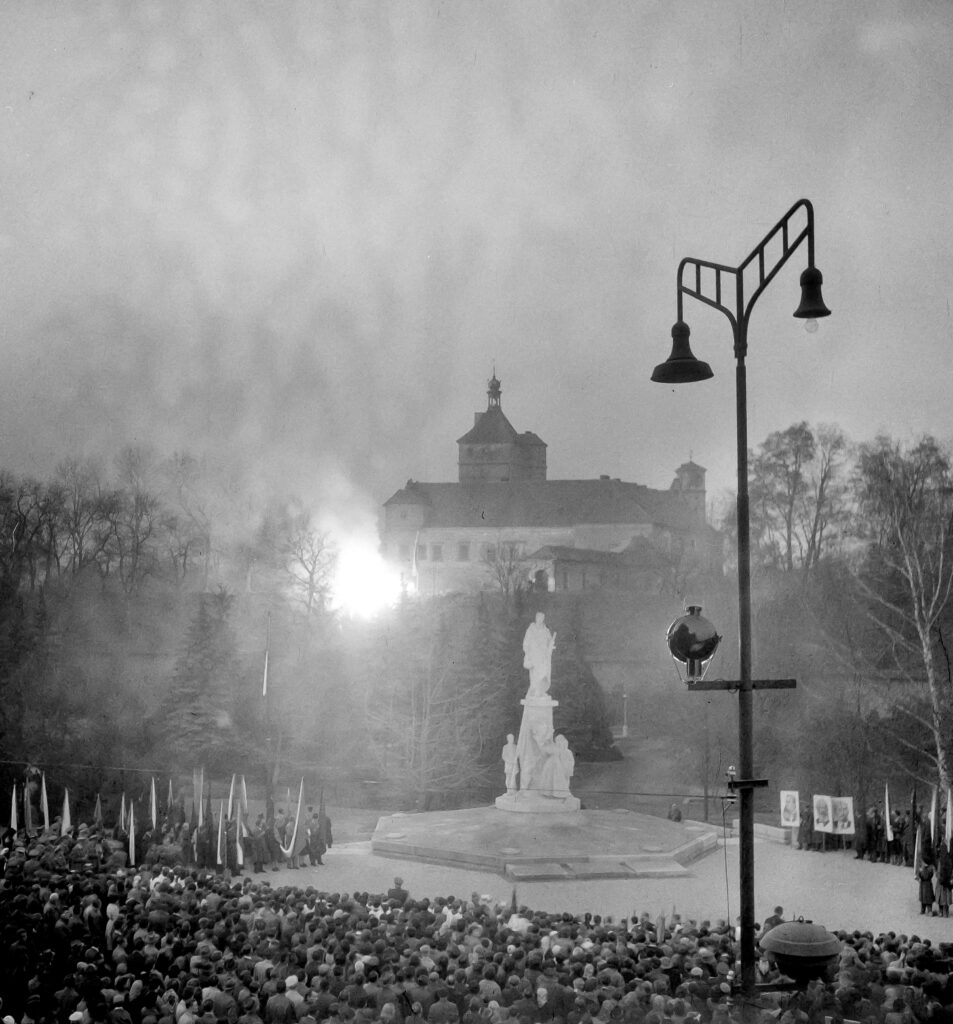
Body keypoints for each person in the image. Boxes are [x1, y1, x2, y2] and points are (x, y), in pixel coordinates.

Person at [522, 612, 556, 697]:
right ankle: (534, 691)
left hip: (543, 657)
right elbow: (526, 643)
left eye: (542, 618)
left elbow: (549, 642)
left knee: (544, 673)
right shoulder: (531, 630)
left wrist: (551, 645)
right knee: (535, 674)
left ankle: (541, 691)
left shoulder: (546, 630)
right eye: (539, 618)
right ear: (536, 618)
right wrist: (528, 653)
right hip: (534, 656)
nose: (541, 620)